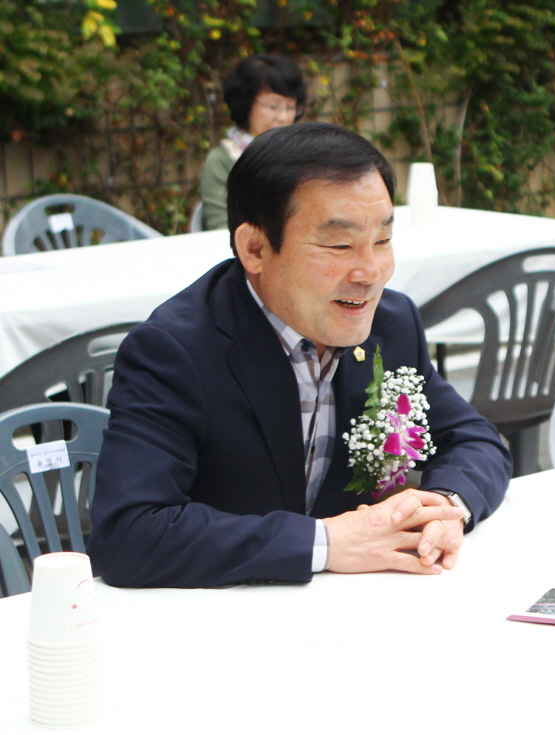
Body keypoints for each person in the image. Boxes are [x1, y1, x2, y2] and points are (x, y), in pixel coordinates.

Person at [88, 123, 513, 589]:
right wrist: (326, 542)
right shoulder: (175, 350)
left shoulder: (392, 323)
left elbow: (476, 440)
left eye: (383, 241)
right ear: (254, 248)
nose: (370, 272)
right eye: (338, 245)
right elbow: (127, 533)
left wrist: (444, 506)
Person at [199, 54, 307, 231]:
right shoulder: (222, 161)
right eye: (273, 106)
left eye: (290, 107)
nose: (284, 117)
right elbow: (221, 229)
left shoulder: (305, 154)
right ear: (245, 103)